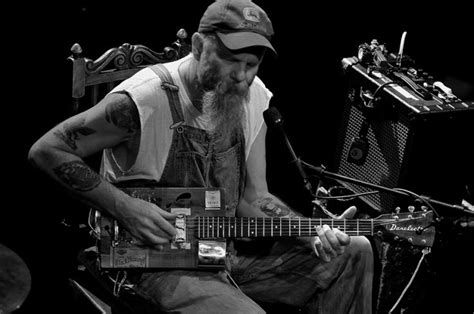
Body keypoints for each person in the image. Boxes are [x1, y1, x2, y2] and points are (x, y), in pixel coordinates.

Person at [28, 0, 374, 312]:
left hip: (220, 252)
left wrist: (312, 232)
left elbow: (254, 199)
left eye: (251, 63)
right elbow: (47, 150)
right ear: (197, 45)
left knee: (354, 250)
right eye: (230, 59)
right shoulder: (145, 99)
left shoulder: (253, 97)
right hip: (154, 262)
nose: (241, 76)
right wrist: (125, 207)